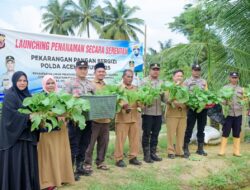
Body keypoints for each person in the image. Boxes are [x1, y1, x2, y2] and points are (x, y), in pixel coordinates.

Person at [0, 71, 40, 190]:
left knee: (28, 166)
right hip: (15, 140)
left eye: (25, 81)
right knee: (16, 166)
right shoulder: (10, 95)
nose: (22, 83)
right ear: (14, 81)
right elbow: (9, 116)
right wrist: (27, 117)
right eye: (20, 80)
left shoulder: (29, 96)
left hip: (27, 136)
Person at [38, 75, 74, 189]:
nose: (50, 85)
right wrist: (53, 114)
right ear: (44, 85)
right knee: (49, 154)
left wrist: (66, 115)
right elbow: (38, 113)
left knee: (60, 152)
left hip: (60, 129)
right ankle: (48, 181)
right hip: (47, 130)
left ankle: (62, 177)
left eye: (52, 83)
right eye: (47, 83)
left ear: (55, 84)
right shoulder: (40, 97)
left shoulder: (61, 96)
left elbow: (68, 111)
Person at [64, 60, 95, 179]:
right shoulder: (69, 83)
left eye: (85, 68)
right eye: (81, 68)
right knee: (74, 145)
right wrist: (72, 97)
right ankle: (70, 171)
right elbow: (64, 100)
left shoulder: (90, 84)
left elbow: (95, 101)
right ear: (76, 69)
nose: (83, 70)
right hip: (75, 120)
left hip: (88, 120)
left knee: (85, 143)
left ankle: (80, 167)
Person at [84, 62, 110, 172]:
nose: (101, 73)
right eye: (99, 71)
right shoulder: (90, 85)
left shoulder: (107, 86)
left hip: (106, 119)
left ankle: (100, 161)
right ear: (95, 72)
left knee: (104, 142)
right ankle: (87, 163)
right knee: (90, 142)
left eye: (103, 71)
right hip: (94, 119)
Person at [114, 69, 142, 167]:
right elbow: (116, 101)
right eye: (128, 76)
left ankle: (133, 157)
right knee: (120, 139)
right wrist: (123, 105)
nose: (130, 79)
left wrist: (143, 103)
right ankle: (119, 159)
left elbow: (139, 102)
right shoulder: (118, 88)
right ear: (123, 77)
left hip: (134, 117)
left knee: (135, 139)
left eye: (131, 77)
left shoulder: (136, 88)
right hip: (122, 118)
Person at [183, 64, 208, 158]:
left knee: (201, 129)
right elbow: (185, 95)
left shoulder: (204, 81)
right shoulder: (187, 81)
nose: (197, 72)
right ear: (192, 71)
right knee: (189, 128)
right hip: (191, 109)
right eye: (195, 70)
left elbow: (206, 93)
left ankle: (200, 149)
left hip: (202, 109)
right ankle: (185, 148)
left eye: (198, 70)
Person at [141, 63, 164, 163]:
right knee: (146, 134)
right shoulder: (144, 81)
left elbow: (164, 98)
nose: (156, 71)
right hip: (147, 112)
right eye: (154, 69)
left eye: (157, 69)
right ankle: (146, 155)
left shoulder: (161, 82)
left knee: (156, 133)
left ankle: (153, 153)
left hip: (158, 113)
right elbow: (141, 96)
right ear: (150, 70)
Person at [218, 72, 243, 157]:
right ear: (229, 78)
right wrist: (225, 102)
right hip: (228, 114)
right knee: (226, 131)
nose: (234, 79)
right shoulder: (225, 88)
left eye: (236, 77)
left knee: (237, 132)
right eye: (233, 77)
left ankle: (236, 151)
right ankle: (222, 151)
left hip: (238, 114)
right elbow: (220, 99)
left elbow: (245, 100)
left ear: (238, 78)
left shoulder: (241, 89)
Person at [165, 69, 187, 159]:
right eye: (178, 76)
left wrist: (182, 104)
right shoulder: (169, 87)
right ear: (173, 77)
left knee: (181, 134)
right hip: (172, 114)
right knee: (171, 134)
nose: (180, 78)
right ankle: (170, 151)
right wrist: (178, 103)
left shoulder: (185, 87)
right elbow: (167, 99)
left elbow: (188, 100)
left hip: (182, 114)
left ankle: (179, 151)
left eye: (181, 76)